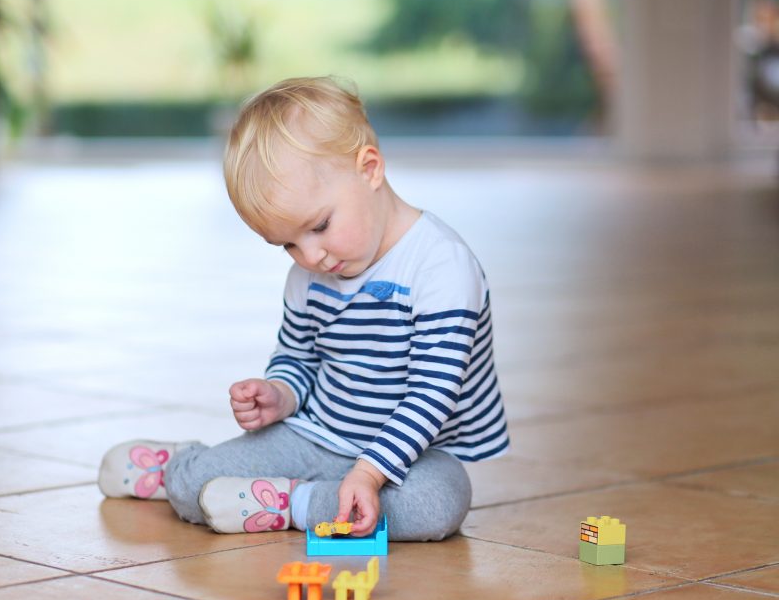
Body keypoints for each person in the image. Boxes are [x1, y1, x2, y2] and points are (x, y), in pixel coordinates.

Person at [98, 77, 509, 541]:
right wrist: (281, 394)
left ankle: (289, 503)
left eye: (320, 226)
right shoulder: (310, 277)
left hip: (413, 454)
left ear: (369, 169)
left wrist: (371, 473)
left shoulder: (441, 267)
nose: (310, 256)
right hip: (319, 434)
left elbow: (433, 394)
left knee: (436, 506)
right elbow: (297, 357)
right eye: (288, 244)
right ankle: (180, 468)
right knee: (196, 486)